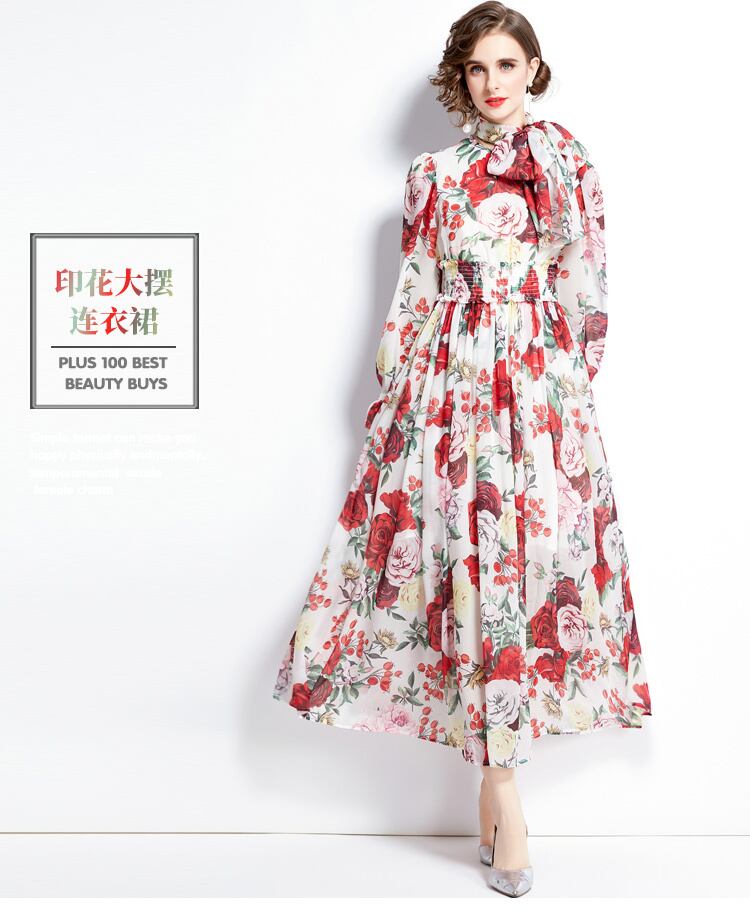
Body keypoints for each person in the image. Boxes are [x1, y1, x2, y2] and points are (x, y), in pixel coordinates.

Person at [272, 1, 652, 897]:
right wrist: (394, 398)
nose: (492, 84)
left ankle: (495, 785)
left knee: (533, 570)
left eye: (507, 65)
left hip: (539, 393)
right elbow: (415, 292)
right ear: (461, 77)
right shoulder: (431, 177)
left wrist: (563, 395)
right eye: (477, 68)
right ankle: (505, 799)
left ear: (534, 70)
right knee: (465, 573)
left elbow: (587, 287)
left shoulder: (566, 162)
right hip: (447, 393)